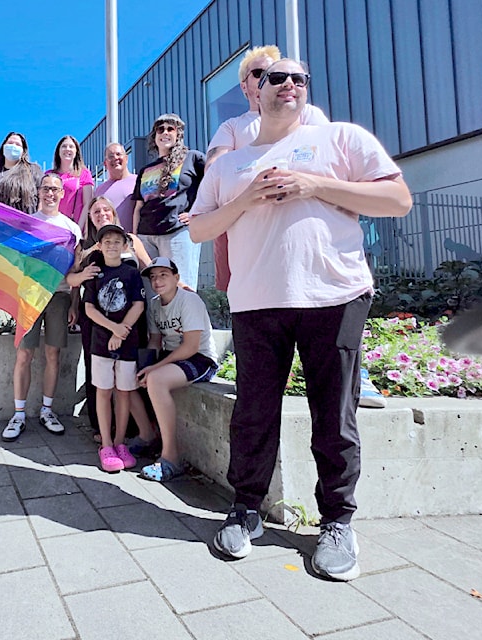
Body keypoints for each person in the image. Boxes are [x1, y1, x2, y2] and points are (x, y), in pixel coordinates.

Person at [190, 59, 412, 580]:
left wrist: (314, 185)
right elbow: (199, 230)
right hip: (256, 303)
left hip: (334, 296)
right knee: (253, 414)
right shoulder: (228, 164)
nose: (288, 84)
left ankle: (336, 521)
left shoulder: (341, 139)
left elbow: (397, 199)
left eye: (299, 79)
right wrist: (246, 197)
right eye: (276, 77)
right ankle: (246, 509)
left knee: (334, 416)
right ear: (255, 91)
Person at [206, 45, 329, 292]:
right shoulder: (232, 126)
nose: (279, 81)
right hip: (250, 233)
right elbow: (214, 169)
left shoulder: (309, 115)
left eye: (279, 74)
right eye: (261, 73)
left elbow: (330, 158)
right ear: (245, 86)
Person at [68, 196, 155, 450]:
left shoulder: (130, 240)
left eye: (106, 209)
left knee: (128, 378)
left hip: (129, 320)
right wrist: (78, 289)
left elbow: (148, 267)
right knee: (100, 376)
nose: (101, 213)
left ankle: (131, 432)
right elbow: (72, 279)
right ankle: (102, 430)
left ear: (114, 213)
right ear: (90, 217)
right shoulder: (84, 246)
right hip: (95, 321)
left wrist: (176, 289)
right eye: (96, 211)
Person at [2, 174, 82, 442]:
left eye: (55, 189)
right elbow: (16, 261)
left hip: (59, 295)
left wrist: (74, 301)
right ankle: (19, 414)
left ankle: (47, 410)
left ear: (62, 194)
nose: (50, 193)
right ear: (39, 192)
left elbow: (75, 268)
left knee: (53, 354)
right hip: (29, 296)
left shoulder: (71, 228)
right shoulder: (28, 224)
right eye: (46, 188)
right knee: (24, 355)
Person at [135, 257, 218, 481]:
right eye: (153, 277)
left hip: (199, 358)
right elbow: (155, 340)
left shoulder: (189, 301)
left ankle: (171, 457)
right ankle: (147, 436)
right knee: (129, 375)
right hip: (171, 358)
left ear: (176, 278)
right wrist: (146, 366)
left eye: (163, 275)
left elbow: (190, 346)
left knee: (156, 379)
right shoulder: (155, 304)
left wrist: (155, 369)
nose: (157, 281)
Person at [82, 224, 145, 472]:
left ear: (125, 246)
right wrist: (112, 329)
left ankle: (120, 442)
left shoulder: (131, 273)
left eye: (116, 241)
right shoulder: (95, 274)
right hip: (100, 343)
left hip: (128, 343)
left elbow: (138, 305)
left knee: (125, 391)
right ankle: (106, 444)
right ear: (99, 246)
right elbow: (89, 309)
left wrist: (122, 330)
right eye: (106, 241)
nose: (111, 245)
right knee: (104, 391)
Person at [0, 131, 43, 334]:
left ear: (24, 150)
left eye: (18, 144)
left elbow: (40, 196)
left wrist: (39, 225)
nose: (13, 146)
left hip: (21, 232)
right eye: (10, 142)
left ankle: (18, 319)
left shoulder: (32, 170)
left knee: (19, 276)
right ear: (3, 145)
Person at [133, 114, 206, 290]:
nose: (165, 133)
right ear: (154, 136)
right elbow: (138, 207)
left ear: (178, 134)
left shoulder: (193, 158)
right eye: (160, 129)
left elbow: (213, 184)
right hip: (146, 238)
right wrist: (135, 238)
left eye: (170, 129)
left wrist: (198, 212)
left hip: (177, 232)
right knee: (151, 294)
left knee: (181, 291)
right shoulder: (145, 170)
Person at [47, 135, 94, 233]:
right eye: (64, 146)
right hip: (52, 227)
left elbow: (88, 204)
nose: (67, 149)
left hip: (73, 227)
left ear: (76, 151)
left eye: (71, 146)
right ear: (58, 151)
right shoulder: (49, 174)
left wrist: (78, 229)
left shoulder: (84, 173)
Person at [94, 143, 137, 232]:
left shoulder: (138, 182)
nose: (115, 158)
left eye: (118, 154)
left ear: (126, 158)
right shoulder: (99, 191)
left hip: (134, 241)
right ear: (105, 164)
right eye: (110, 156)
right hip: (108, 242)